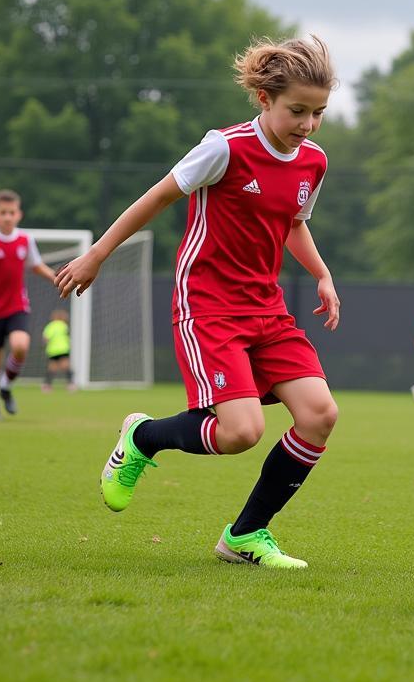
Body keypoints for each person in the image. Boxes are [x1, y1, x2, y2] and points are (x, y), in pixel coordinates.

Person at [55, 35, 341, 569]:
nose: (306, 124)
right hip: (207, 305)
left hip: (267, 309)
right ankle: (143, 436)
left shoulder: (314, 163)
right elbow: (157, 196)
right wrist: (97, 254)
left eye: (318, 113)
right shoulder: (225, 147)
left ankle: (245, 536)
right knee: (241, 433)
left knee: (320, 415)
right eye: (296, 111)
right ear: (264, 99)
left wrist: (322, 274)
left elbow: (295, 225)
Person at [0, 189, 58, 420]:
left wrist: (56, 278)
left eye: (12, 212)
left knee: (21, 346)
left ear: (19, 214)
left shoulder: (25, 240)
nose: (7, 216)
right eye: (3, 212)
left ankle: (5, 387)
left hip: (18, 306)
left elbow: (36, 265)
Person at [41, 308, 75, 392]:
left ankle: (47, 386)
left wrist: (45, 343)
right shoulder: (64, 325)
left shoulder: (50, 326)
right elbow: (67, 336)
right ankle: (71, 384)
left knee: (52, 368)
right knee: (66, 366)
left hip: (53, 351)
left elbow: (45, 338)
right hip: (63, 349)